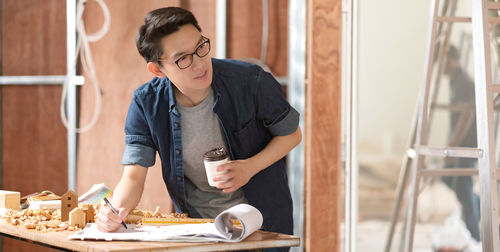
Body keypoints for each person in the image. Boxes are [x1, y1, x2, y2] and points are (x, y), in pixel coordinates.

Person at [95, 6, 302, 249]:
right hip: (200, 232)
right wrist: (113, 212)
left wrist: (249, 167)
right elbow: (133, 177)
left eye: (201, 47)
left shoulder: (250, 81)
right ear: (157, 69)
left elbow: (292, 134)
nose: (200, 64)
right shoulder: (147, 103)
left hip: (261, 229)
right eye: (183, 58)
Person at [442, 45, 480, 241]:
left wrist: (454, 145)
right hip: (461, 144)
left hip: (468, 144)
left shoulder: (463, 81)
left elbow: (468, 114)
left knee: (461, 185)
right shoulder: (455, 81)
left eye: (442, 62)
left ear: (451, 58)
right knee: (449, 178)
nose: (439, 68)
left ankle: (476, 236)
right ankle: (479, 207)